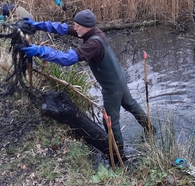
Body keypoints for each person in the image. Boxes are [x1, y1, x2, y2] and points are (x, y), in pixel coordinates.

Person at [20, 9, 152, 159]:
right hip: (120, 77)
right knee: (130, 104)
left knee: (110, 120)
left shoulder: (94, 43)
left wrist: (41, 51)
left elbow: (68, 59)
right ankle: (150, 128)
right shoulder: (91, 31)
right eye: (74, 25)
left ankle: (119, 154)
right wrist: (37, 25)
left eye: (77, 26)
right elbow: (62, 28)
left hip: (112, 86)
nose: (74, 28)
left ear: (87, 27)